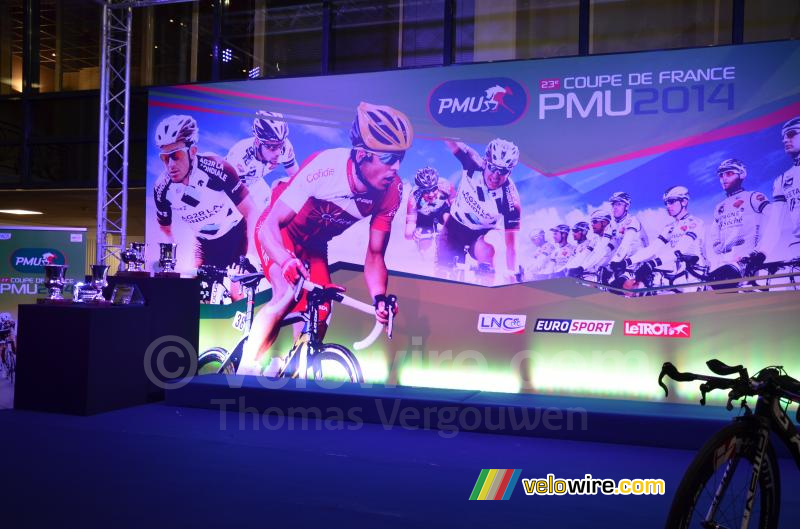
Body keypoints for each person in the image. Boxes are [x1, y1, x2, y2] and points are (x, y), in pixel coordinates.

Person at [238, 102, 412, 376]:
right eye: (390, 159)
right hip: (281, 235)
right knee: (286, 295)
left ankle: (290, 369)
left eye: (401, 157)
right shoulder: (327, 167)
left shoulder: (392, 191)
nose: (397, 167)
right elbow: (269, 225)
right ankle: (243, 375)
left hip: (315, 247)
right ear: (364, 154)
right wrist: (284, 261)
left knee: (321, 312)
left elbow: (376, 255)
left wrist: (379, 298)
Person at [152, 114, 258, 270]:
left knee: (236, 293)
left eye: (176, 155)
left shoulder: (217, 167)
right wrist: (168, 262)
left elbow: (251, 210)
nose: (171, 165)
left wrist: (252, 256)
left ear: (193, 151)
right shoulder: (162, 187)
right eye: (165, 158)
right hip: (204, 243)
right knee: (198, 290)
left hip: (236, 235)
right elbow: (165, 229)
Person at [438, 138, 522, 282]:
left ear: (510, 172)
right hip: (454, 227)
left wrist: (511, 276)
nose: (496, 175)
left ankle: (486, 287)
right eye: (493, 168)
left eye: (503, 171)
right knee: (443, 276)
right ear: (485, 162)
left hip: (480, 236)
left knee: (489, 250)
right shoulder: (473, 163)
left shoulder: (511, 199)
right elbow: (449, 139)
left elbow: (511, 246)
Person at [611, 185, 706, 289]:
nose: (668, 206)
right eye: (666, 203)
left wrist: (652, 264)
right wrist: (626, 262)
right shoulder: (670, 227)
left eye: (672, 201)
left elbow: (680, 249)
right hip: (679, 276)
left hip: (697, 275)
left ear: (684, 202)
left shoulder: (696, 222)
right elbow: (653, 248)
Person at [744, 117, 800, 272]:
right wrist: (761, 253)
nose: (785, 140)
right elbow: (775, 223)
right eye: (783, 137)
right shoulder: (782, 180)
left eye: (791, 134)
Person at [225, 110, 300, 210]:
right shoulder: (239, 157)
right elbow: (235, 194)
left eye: (280, 145)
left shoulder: (286, 147)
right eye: (272, 147)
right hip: (231, 188)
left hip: (256, 183)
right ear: (257, 142)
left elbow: (296, 177)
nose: (278, 152)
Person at [707, 159, 768, 278]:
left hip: (747, 262)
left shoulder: (753, 197)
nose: (724, 178)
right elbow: (714, 232)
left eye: (729, 173)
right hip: (723, 262)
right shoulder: (719, 206)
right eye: (721, 175)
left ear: (742, 174)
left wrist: (760, 251)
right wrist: (716, 246)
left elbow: (774, 220)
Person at [404, 166, 455, 258]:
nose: (431, 194)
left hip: (441, 210)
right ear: (420, 190)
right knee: (425, 245)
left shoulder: (446, 186)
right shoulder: (414, 199)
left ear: (438, 185)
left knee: (450, 220)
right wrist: (413, 233)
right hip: (424, 216)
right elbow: (408, 232)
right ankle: (421, 253)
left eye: (434, 189)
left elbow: (456, 208)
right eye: (426, 191)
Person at [566, 210, 615, 279]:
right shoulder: (595, 239)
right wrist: (567, 268)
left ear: (604, 223)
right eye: (591, 222)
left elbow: (599, 253)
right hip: (592, 274)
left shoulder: (613, 237)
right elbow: (585, 254)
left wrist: (582, 267)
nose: (592, 225)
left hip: (608, 276)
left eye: (595, 222)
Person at [607, 192, 648, 263]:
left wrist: (614, 261)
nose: (615, 207)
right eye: (613, 204)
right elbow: (611, 246)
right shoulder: (613, 225)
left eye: (619, 204)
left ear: (627, 207)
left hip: (639, 261)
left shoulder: (632, 220)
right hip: (625, 261)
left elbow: (626, 243)